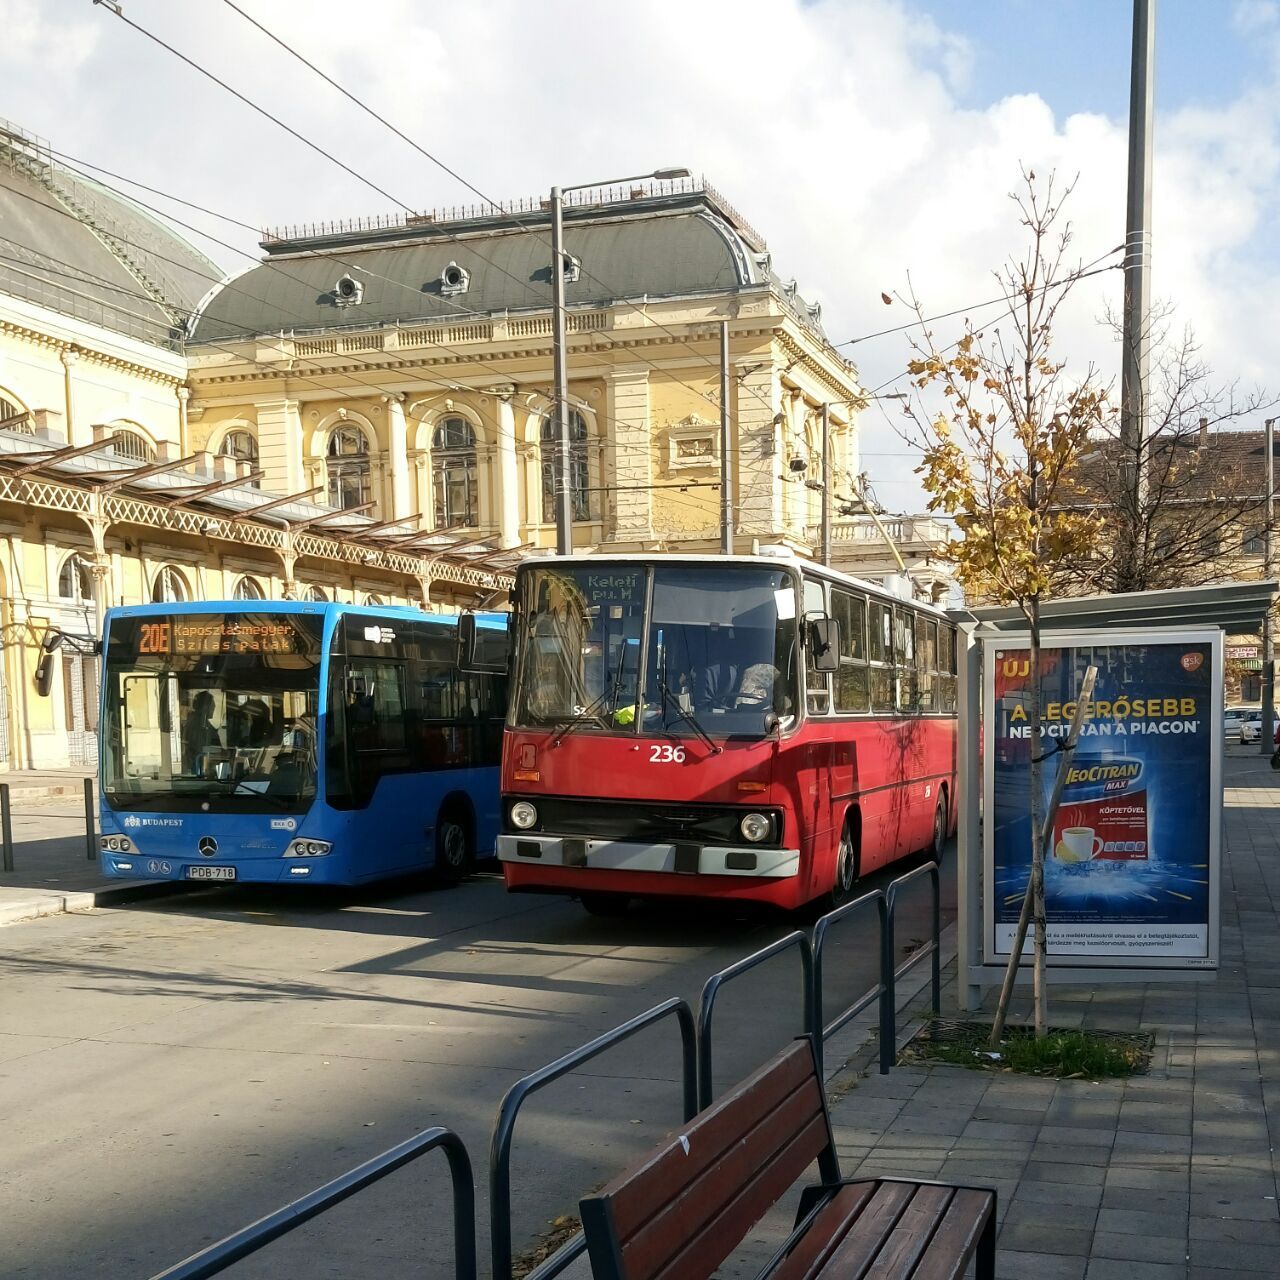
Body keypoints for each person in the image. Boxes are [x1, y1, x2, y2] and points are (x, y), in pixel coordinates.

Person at [182, 691, 221, 775]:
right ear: (205, 707)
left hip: (203, 765)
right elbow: (198, 747)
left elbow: (215, 743)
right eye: (212, 705)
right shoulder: (195, 723)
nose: (214, 708)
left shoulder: (204, 723)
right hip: (195, 768)